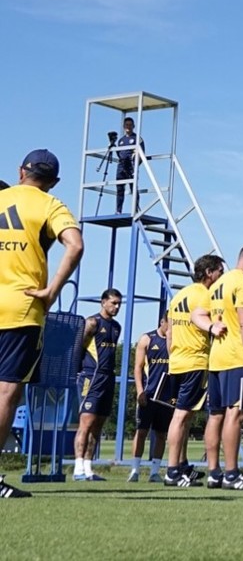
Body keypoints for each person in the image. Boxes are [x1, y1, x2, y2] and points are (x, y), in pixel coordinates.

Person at [0, 149, 83, 499]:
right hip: (21, 308)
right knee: (6, 393)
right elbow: (75, 245)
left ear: (21, 171)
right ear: (54, 181)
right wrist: (51, 291)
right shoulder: (51, 205)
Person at [200, 243, 243, 491]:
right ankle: (231, 474)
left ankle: (213, 473)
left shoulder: (218, 284)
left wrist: (211, 327)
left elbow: (199, 314)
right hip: (235, 357)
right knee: (235, 414)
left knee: (215, 415)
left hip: (216, 358)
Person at [163, 254, 225, 487]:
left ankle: (181, 466)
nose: (221, 276)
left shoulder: (179, 295)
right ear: (209, 272)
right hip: (195, 361)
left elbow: (169, 333)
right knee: (181, 416)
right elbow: (202, 320)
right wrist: (214, 327)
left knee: (184, 417)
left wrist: (173, 357)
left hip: (177, 361)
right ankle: (172, 471)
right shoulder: (204, 294)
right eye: (219, 271)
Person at [74, 288, 123, 482]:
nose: (116, 307)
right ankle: (78, 468)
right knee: (86, 422)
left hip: (108, 378)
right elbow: (78, 347)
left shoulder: (116, 327)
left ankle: (88, 468)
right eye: (113, 303)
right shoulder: (92, 323)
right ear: (103, 302)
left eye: (119, 304)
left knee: (98, 425)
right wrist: (77, 371)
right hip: (91, 376)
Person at [129, 314, 171, 483]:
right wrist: (140, 391)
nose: (172, 327)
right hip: (149, 394)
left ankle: (155, 472)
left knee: (161, 434)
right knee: (141, 432)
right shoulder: (147, 339)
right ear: (162, 322)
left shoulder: (175, 342)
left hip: (166, 397)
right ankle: (134, 470)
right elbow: (138, 367)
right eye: (170, 323)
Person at [114, 117, 144, 214]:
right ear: (124, 126)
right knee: (120, 188)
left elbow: (142, 153)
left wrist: (135, 165)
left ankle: (135, 210)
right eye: (127, 125)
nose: (128, 127)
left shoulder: (137, 138)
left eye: (130, 125)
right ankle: (118, 210)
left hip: (131, 166)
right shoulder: (121, 141)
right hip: (121, 166)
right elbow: (119, 154)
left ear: (133, 126)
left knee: (133, 187)